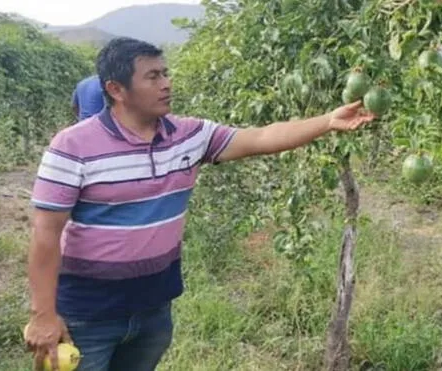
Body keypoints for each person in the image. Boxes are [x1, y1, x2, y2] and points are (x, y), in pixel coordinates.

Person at [23, 37, 375, 371]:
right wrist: (43, 314)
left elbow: (261, 136)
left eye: (166, 73)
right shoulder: (73, 146)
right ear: (116, 89)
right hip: (87, 313)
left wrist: (328, 121)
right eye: (153, 76)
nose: (166, 83)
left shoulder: (188, 135)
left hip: (153, 308)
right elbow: (46, 233)